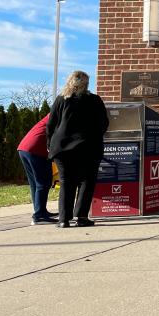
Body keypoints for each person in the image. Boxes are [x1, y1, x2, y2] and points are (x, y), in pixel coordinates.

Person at [46, 71, 109, 228]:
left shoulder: (61, 100)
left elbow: (51, 124)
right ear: (87, 84)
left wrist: (50, 144)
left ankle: (63, 219)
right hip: (88, 147)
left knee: (66, 182)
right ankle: (81, 217)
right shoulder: (94, 100)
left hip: (62, 148)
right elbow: (104, 123)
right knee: (87, 181)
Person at [17, 114, 56, 225]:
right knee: (43, 182)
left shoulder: (55, 112)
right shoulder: (61, 114)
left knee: (35, 183)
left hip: (24, 148)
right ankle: (39, 215)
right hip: (36, 149)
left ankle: (40, 211)